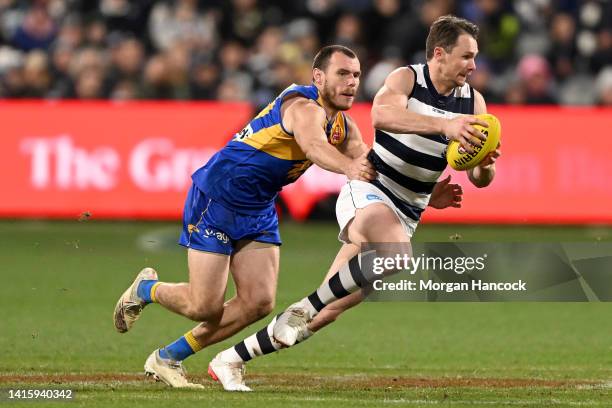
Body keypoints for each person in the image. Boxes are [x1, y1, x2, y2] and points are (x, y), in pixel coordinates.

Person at [211, 15, 501, 391]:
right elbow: (383, 115)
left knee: (324, 313)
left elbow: (478, 177)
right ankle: (307, 305)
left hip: (408, 210)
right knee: (396, 256)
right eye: (466, 56)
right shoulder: (407, 79)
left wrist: (484, 163)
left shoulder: (473, 101)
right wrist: (446, 127)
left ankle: (230, 359)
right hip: (371, 189)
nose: (474, 65)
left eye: (475, 57)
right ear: (440, 54)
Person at [112, 45, 377, 389]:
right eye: (342, 74)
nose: (351, 82)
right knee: (203, 306)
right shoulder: (301, 106)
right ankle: (146, 289)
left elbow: (371, 165)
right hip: (219, 195)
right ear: (318, 77)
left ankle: (168, 357)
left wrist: (427, 191)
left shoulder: (342, 126)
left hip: (259, 206)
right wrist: (348, 167)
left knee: (259, 302)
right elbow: (314, 147)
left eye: (356, 75)